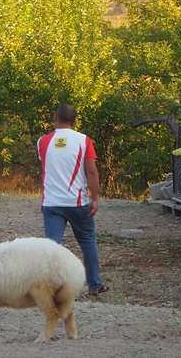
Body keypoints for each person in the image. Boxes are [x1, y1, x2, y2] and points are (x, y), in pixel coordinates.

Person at [38, 104, 107, 295]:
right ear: (74, 122)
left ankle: (50, 288)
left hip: (51, 203)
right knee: (87, 242)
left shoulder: (43, 142)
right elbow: (92, 171)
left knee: (52, 247)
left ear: (55, 118)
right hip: (77, 202)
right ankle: (94, 284)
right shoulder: (84, 140)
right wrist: (95, 199)